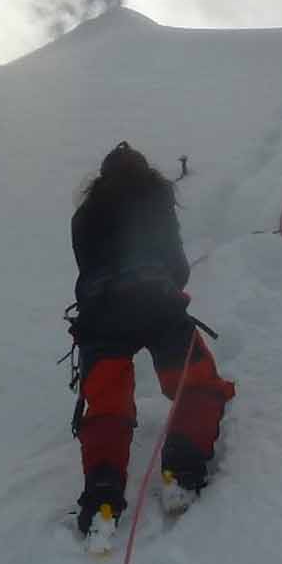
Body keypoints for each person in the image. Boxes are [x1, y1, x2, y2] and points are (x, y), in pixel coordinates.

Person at [67, 142, 236, 538]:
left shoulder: (84, 215)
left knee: (107, 406)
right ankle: (183, 469)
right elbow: (177, 266)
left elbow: (87, 268)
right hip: (157, 304)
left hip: (100, 316)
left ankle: (102, 496)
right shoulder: (155, 200)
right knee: (194, 385)